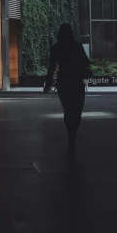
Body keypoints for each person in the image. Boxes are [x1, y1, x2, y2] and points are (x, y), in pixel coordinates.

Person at [43, 24, 90, 153]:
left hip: (63, 82)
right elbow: (86, 63)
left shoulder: (56, 48)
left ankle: (70, 131)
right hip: (77, 81)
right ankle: (73, 131)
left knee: (68, 108)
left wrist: (48, 83)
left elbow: (51, 67)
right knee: (77, 108)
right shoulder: (77, 46)